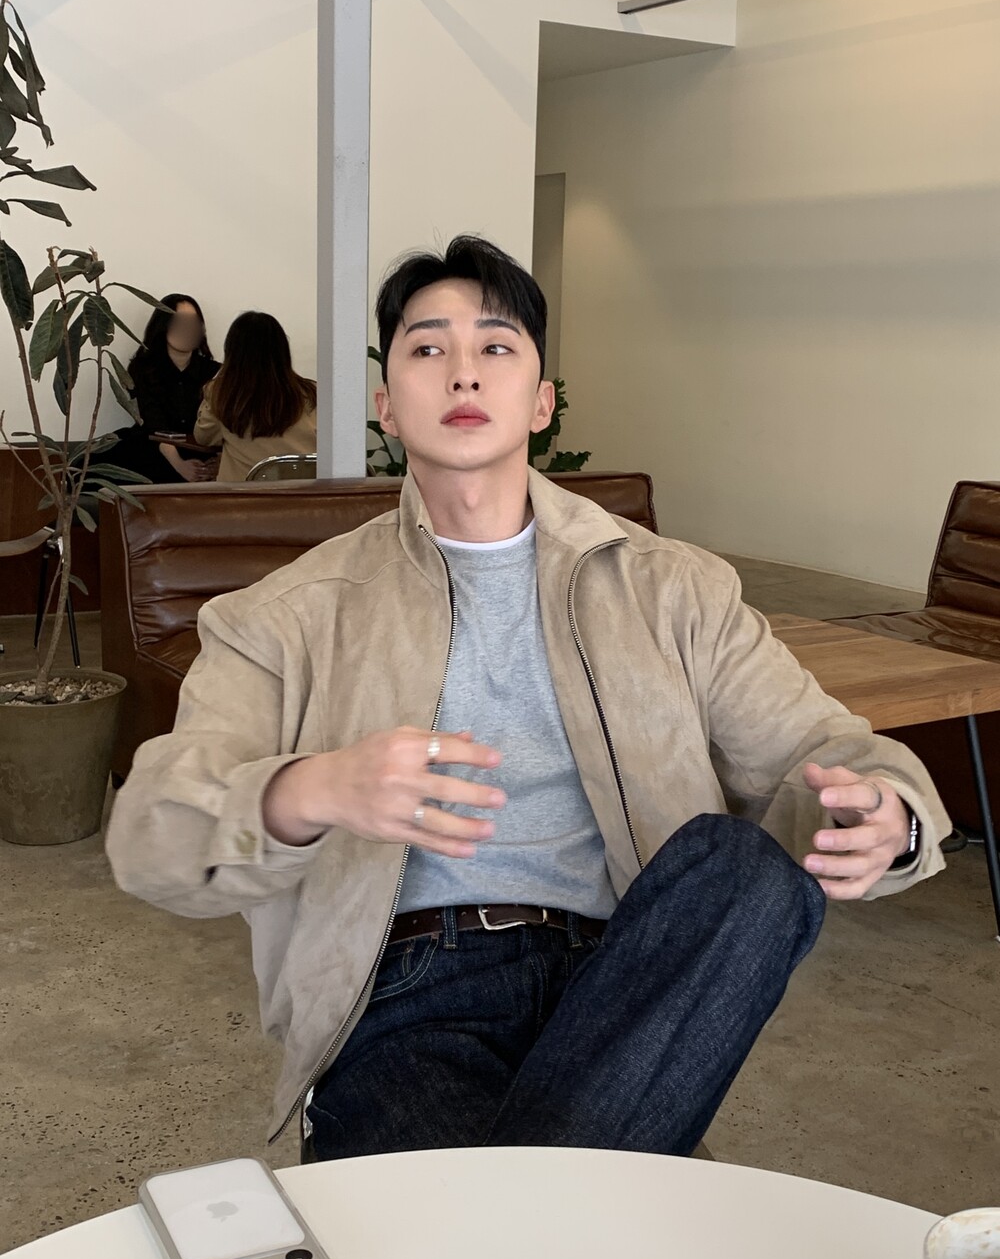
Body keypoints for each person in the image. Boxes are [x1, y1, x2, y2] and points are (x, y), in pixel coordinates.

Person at [106, 236, 949, 1162]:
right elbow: (152, 837)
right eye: (428, 347)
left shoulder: (673, 589)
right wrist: (310, 791)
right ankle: (592, 1173)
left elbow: (824, 749)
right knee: (575, 1230)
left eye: (496, 346)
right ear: (387, 405)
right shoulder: (285, 616)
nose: (463, 371)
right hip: (403, 999)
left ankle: (555, 1185)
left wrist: (893, 816)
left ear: (542, 401)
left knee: (743, 871)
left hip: (627, 981)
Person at [193, 311, 317, 481]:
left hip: (244, 495)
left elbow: (203, 437)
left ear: (232, 353)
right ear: (283, 351)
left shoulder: (222, 393)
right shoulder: (312, 393)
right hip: (302, 494)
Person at [111, 294, 220, 483]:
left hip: (201, 450)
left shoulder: (216, 372)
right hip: (155, 449)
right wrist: (180, 465)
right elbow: (153, 423)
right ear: (163, 326)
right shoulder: (142, 368)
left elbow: (225, 426)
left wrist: (220, 463)